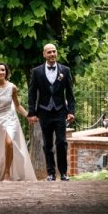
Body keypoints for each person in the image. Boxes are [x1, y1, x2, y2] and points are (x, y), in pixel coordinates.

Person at [27, 42, 75, 181]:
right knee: (47, 144)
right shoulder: (37, 71)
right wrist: (32, 112)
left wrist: (71, 111)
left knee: (61, 142)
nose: (52, 54)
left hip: (60, 111)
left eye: (54, 51)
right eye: (49, 52)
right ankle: (51, 173)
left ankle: (64, 173)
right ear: (44, 54)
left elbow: (70, 94)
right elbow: (32, 93)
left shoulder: (65, 70)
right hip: (44, 111)